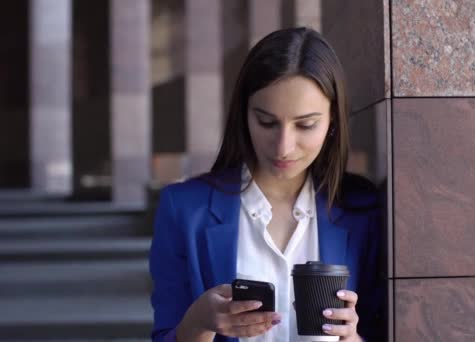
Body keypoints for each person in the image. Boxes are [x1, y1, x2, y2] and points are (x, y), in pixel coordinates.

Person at [149, 27, 383, 342]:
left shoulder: (364, 210)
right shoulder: (184, 210)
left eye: (306, 125)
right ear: (244, 115)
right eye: (267, 122)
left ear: (332, 123)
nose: (283, 146)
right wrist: (200, 321)